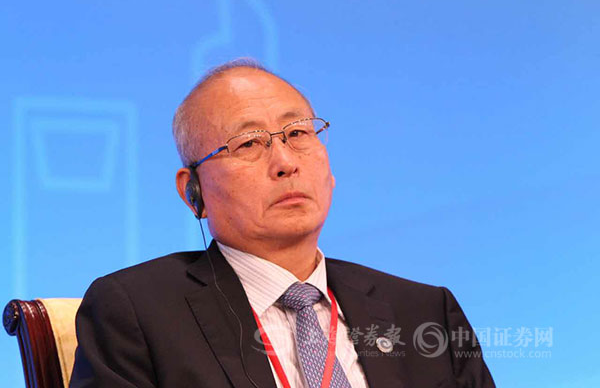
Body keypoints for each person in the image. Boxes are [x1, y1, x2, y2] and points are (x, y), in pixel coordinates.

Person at [70, 59, 496, 388]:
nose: (286, 163)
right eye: (248, 143)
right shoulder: (137, 311)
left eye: (298, 134)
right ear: (193, 192)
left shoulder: (424, 312)